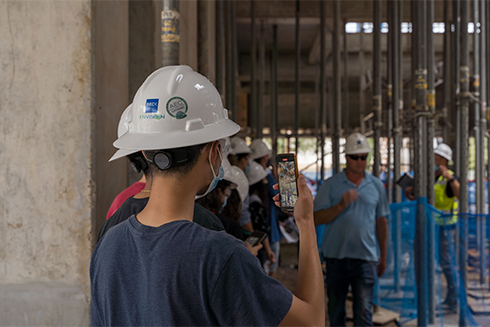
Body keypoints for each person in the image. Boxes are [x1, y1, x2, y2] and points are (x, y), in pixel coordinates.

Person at [90, 65, 324, 326]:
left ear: (144, 152)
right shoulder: (220, 256)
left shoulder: (108, 247)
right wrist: (305, 222)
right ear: (214, 154)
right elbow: (311, 321)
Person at [314, 132, 390, 327]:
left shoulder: (376, 186)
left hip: (366, 259)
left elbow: (381, 222)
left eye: (363, 157)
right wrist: (340, 205)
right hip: (336, 259)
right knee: (336, 310)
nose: (359, 161)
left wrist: (384, 254)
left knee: (364, 313)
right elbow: (315, 218)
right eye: (355, 157)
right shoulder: (331, 186)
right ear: (346, 158)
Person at [404, 143, 460, 310]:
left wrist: (449, 177)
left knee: (446, 263)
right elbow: (422, 198)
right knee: (425, 261)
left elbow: (459, 193)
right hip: (428, 224)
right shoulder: (429, 176)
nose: (434, 159)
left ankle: (453, 298)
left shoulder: (448, 179)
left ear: (444, 160)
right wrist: (410, 193)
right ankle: (424, 297)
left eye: (438, 157)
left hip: (445, 227)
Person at [250, 138, 283, 277]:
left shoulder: (251, 174)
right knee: (270, 269)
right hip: (269, 230)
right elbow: (279, 197)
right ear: (265, 157)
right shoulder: (268, 178)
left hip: (259, 229)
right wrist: (277, 176)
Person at [247, 161, 276, 270]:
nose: (266, 182)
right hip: (257, 249)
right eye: (264, 180)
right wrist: (269, 250)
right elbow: (261, 229)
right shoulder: (256, 204)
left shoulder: (251, 200)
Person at [229, 136, 254, 232]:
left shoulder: (227, 175)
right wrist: (251, 231)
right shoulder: (239, 179)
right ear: (242, 159)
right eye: (247, 158)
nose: (248, 162)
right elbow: (243, 213)